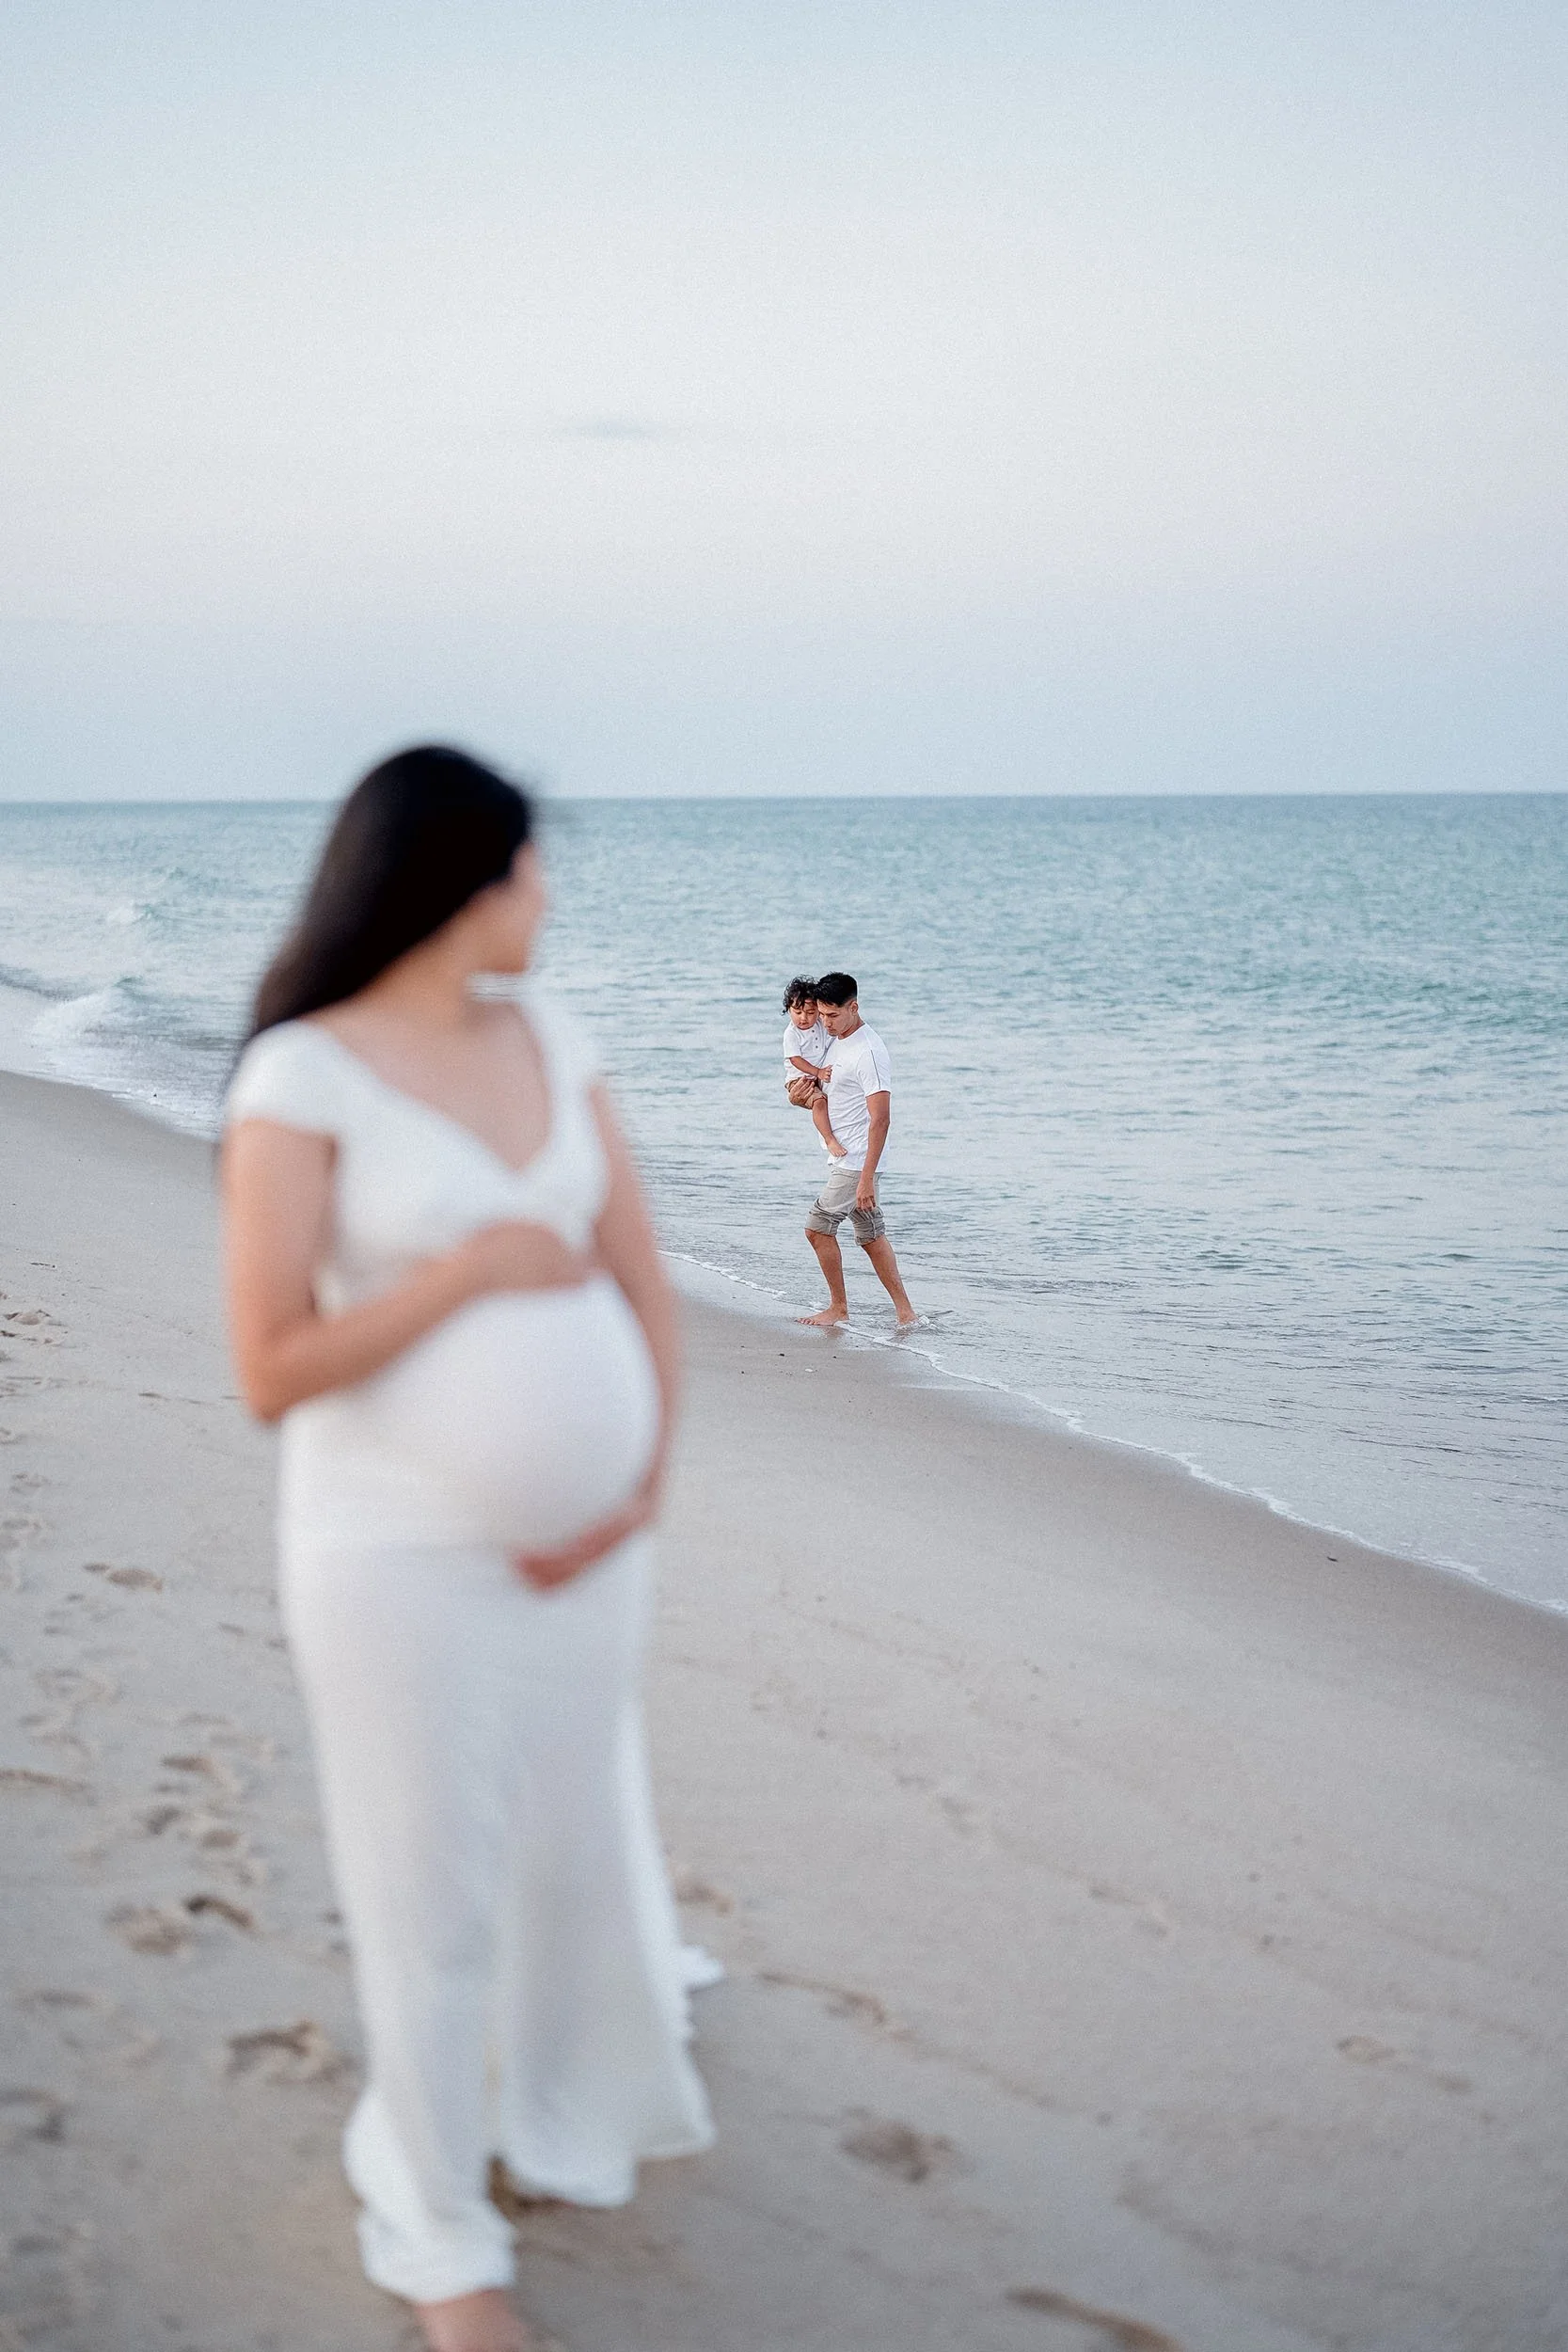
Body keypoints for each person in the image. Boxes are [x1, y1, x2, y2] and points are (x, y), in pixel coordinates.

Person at [220, 746, 713, 2352]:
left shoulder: (557, 1042)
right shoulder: (304, 1076)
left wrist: (633, 1486)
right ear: (449, 883)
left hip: (591, 1552)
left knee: (569, 1846)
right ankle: (439, 2232)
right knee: (425, 1885)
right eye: (525, 867)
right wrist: (467, 1276)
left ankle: (557, 2105)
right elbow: (270, 1365)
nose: (546, 895)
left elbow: (643, 1278)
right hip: (394, 1552)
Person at [800, 971, 918, 1329]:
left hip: (856, 1162)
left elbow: (881, 1119)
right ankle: (906, 1314)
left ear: (854, 1007)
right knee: (870, 1235)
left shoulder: (869, 1051)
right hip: (847, 1158)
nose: (826, 1023)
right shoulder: (838, 1039)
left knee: (818, 1228)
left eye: (833, 1016)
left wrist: (866, 1178)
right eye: (822, 1015)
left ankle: (838, 1308)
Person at [781, 976, 845, 1159]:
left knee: (827, 1101)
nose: (803, 1018)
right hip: (798, 1080)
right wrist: (817, 1072)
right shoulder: (791, 1034)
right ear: (788, 1009)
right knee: (819, 1102)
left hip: (818, 1076)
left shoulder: (820, 1024)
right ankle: (829, 1139)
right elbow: (795, 1060)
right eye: (797, 1012)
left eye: (810, 1012)